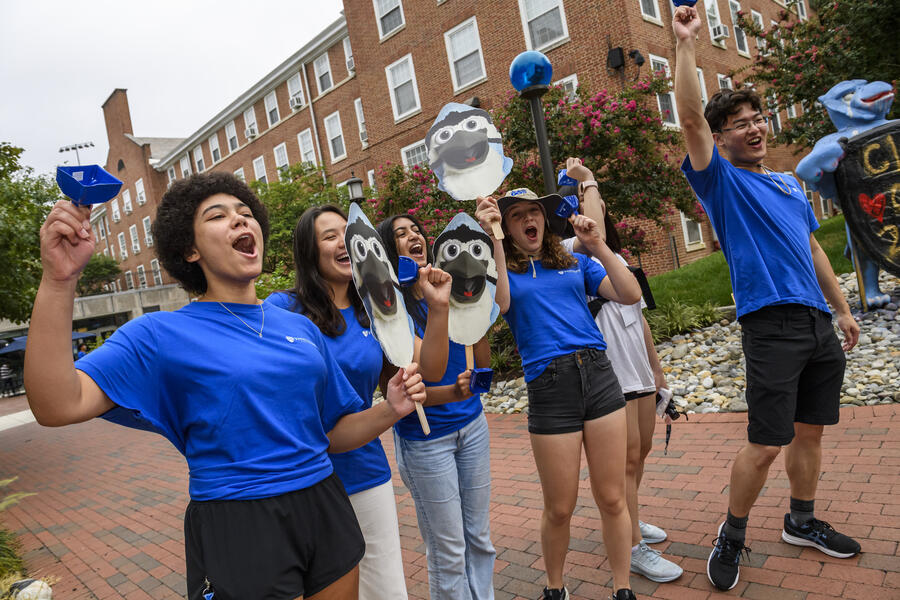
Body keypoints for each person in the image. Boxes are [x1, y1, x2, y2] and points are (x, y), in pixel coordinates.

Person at [24, 172, 426, 600]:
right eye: (218, 216)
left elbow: (330, 434)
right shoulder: (159, 334)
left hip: (325, 502)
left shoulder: (299, 328)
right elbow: (57, 405)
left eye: (247, 214)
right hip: (239, 519)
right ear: (189, 249)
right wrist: (59, 280)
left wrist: (391, 408)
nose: (241, 221)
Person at [671, 6, 861, 592]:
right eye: (739, 123)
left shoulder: (786, 182)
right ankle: (732, 532)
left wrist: (842, 309)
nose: (753, 128)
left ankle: (801, 521)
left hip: (814, 323)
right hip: (770, 326)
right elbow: (689, 121)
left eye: (758, 118)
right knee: (764, 443)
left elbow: (813, 250)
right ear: (723, 138)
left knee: (810, 432)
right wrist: (684, 46)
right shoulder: (721, 182)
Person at [475, 190, 642, 600]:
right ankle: (555, 588)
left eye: (534, 212)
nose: (528, 220)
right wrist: (493, 238)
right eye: (517, 216)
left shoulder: (574, 262)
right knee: (560, 506)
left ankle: (623, 589)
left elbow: (631, 293)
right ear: (507, 226)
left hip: (599, 375)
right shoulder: (503, 273)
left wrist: (597, 244)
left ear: (546, 220)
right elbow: (500, 305)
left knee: (612, 497)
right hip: (550, 386)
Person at [561, 157, 683, 584]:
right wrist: (588, 180)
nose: (589, 213)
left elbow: (639, 317)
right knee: (625, 461)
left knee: (641, 452)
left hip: (640, 373)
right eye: (574, 205)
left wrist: (658, 372)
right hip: (609, 373)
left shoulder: (615, 259)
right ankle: (631, 546)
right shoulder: (566, 257)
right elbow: (589, 222)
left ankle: (633, 518)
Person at [376, 213, 496, 600]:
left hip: (473, 427)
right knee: (449, 550)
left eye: (416, 229)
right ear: (389, 250)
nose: (414, 235)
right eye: (401, 233)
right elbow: (418, 387)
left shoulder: (449, 284)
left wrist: (477, 375)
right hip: (428, 441)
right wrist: (456, 392)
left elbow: (480, 351)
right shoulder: (391, 310)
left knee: (479, 537)